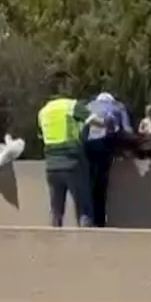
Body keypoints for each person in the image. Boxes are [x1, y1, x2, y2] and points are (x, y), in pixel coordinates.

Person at [39, 92, 105, 227]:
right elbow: (96, 121)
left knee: (56, 211)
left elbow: (41, 134)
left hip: (51, 165)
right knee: (83, 208)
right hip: (73, 163)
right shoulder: (71, 105)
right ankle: (86, 244)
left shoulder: (43, 112)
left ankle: (53, 243)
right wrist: (105, 122)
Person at [84, 92, 134, 228]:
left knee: (90, 183)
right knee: (101, 184)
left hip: (88, 147)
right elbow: (127, 130)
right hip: (105, 146)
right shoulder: (118, 107)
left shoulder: (88, 106)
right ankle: (99, 221)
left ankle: (90, 218)